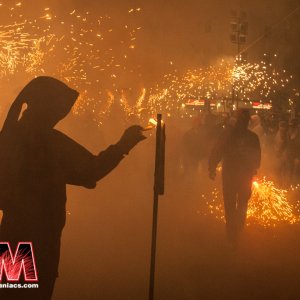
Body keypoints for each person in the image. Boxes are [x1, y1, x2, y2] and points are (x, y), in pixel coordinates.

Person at [0, 76, 146, 299]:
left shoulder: (10, 137)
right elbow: (91, 170)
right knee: (35, 294)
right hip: (41, 241)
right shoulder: (50, 143)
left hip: (12, 236)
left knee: (13, 293)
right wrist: (123, 145)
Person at [208, 109, 261, 246]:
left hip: (236, 175)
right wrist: (212, 167)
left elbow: (217, 150)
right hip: (237, 175)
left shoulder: (232, 135)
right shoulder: (249, 137)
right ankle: (234, 232)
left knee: (234, 204)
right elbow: (217, 150)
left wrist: (212, 168)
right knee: (238, 203)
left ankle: (233, 232)